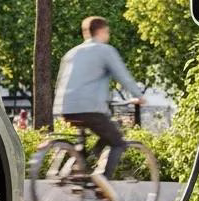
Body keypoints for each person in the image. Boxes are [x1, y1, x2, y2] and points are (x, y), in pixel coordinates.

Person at [53, 16, 143, 188]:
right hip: (90, 108)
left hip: (66, 107)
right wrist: (140, 96)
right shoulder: (105, 50)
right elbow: (123, 76)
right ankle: (103, 181)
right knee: (117, 142)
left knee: (103, 134)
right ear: (101, 31)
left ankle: (75, 168)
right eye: (107, 32)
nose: (108, 35)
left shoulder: (71, 53)